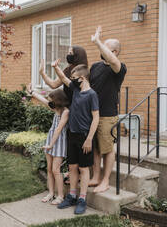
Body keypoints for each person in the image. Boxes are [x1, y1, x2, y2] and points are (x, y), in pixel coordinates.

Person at [53, 60, 99, 215]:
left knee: (83, 168)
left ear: (83, 78)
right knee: (72, 166)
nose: (72, 80)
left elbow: (96, 118)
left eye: (74, 78)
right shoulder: (75, 90)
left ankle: (82, 199)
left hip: (84, 137)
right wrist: (55, 67)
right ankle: (72, 195)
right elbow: (64, 79)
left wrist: (89, 139)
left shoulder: (92, 95)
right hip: (71, 134)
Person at [88, 26, 127, 193]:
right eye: (101, 45)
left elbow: (112, 61)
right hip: (93, 114)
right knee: (95, 148)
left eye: (106, 47)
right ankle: (96, 177)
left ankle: (105, 181)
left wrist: (97, 41)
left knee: (107, 149)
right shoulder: (95, 66)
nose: (101, 49)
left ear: (115, 51)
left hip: (107, 116)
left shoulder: (119, 68)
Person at [26, 85, 70, 205]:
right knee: (49, 169)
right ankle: (51, 193)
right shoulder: (56, 109)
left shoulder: (66, 112)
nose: (50, 102)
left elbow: (59, 129)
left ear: (58, 100)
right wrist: (32, 92)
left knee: (56, 170)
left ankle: (60, 196)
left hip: (58, 141)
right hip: (50, 139)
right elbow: (44, 100)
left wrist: (50, 144)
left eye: (52, 100)